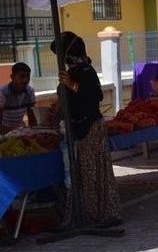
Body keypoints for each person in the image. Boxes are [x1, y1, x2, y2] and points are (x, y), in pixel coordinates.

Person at [51, 32, 122, 228]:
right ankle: (80, 214)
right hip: (76, 128)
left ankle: (98, 214)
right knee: (79, 175)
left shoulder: (85, 71)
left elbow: (96, 96)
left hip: (89, 128)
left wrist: (72, 85)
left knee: (93, 174)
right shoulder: (72, 71)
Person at [0, 62, 35, 133]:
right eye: (21, 76)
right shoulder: (2, 92)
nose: (25, 80)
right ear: (12, 77)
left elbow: (32, 118)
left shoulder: (30, 91)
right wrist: (15, 131)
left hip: (20, 131)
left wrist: (32, 133)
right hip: (4, 131)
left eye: (27, 76)